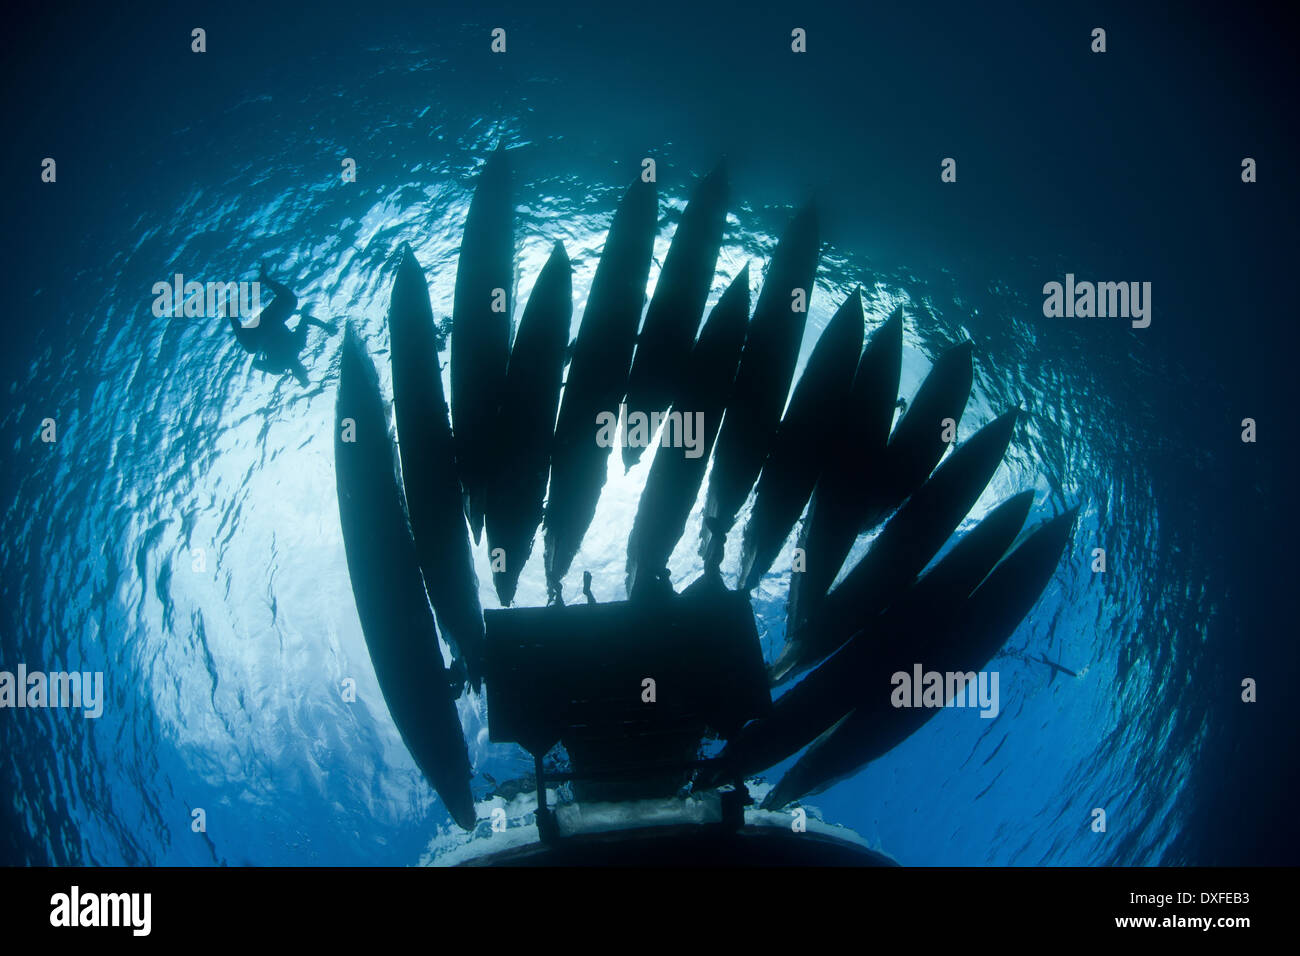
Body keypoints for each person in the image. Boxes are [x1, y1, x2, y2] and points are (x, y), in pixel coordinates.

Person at [228, 262, 336, 385]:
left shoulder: (278, 366)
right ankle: (265, 280)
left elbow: (256, 363)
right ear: (302, 367)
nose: (300, 369)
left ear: (295, 373)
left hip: (261, 330)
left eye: (300, 373)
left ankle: (230, 313)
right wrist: (326, 326)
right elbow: (305, 319)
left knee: (251, 348)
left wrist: (267, 362)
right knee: (291, 301)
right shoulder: (297, 346)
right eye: (303, 371)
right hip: (272, 320)